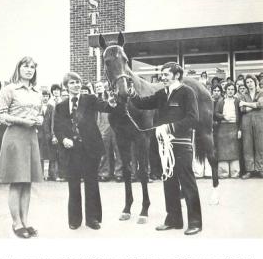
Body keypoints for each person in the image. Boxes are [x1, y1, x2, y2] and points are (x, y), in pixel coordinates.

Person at [130, 62, 202, 235]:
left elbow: (193, 119)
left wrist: (170, 127)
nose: (162, 77)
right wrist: (131, 94)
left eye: (166, 74)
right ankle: (173, 219)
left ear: (177, 75)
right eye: (162, 74)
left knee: (187, 183)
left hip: (181, 144)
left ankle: (195, 222)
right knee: (168, 182)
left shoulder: (187, 92)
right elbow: (142, 103)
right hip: (164, 146)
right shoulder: (162, 93)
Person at [54, 72, 114, 230]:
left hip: (90, 149)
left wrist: (113, 102)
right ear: (66, 86)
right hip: (72, 150)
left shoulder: (90, 100)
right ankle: (74, 220)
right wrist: (63, 139)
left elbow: (106, 106)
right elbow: (57, 128)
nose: (76, 85)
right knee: (73, 184)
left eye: (78, 82)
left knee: (92, 183)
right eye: (72, 83)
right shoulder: (60, 106)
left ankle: (92, 219)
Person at [0, 56, 43, 238]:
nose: (29, 70)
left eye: (32, 67)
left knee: (27, 181)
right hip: (15, 136)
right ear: (19, 68)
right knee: (17, 181)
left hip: (31, 138)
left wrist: (40, 119)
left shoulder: (37, 91)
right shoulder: (10, 89)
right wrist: (23, 121)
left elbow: (40, 113)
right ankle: (16, 223)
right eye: (25, 66)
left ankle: (26, 221)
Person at [214, 83, 241, 178]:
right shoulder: (221, 101)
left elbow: (241, 116)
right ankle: (223, 173)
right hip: (223, 129)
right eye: (228, 89)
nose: (230, 91)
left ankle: (235, 173)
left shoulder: (237, 101)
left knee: (235, 150)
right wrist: (223, 116)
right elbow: (216, 113)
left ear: (235, 91)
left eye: (232, 89)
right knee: (222, 151)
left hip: (234, 127)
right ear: (225, 90)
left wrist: (239, 130)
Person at [238, 74, 263, 179]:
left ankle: (260, 169)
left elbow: (260, 105)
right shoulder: (243, 95)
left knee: (260, 146)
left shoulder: (261, 92)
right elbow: (242, 110)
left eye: (251, 82)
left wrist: (246, 104)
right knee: (247, 146)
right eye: (247, 82)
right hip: (246, 122)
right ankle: (249, 170)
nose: (249, 84)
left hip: (259, 122)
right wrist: (254, 105)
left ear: (255, 82)